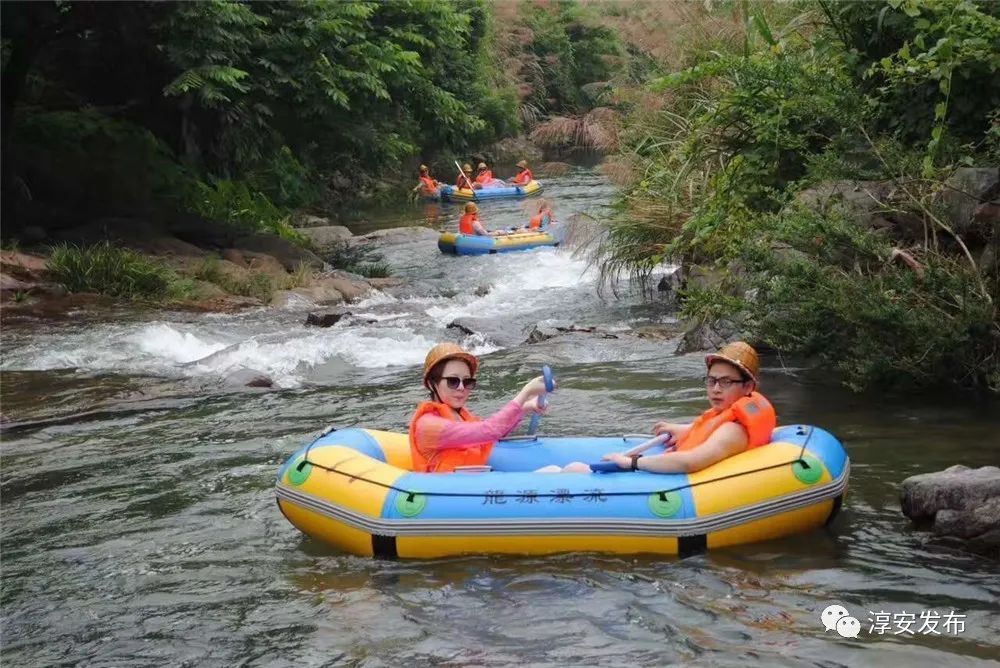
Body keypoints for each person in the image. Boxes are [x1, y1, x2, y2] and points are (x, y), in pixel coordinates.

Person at [601, 342, 776, 474]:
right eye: (711, 380)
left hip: (682, 485)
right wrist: (687, 429)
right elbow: (710, 428)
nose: (715, 389)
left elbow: (690, 462)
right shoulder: (728, 415)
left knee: (576, 468)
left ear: (747, 387)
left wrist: (632, 462)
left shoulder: (733, 431)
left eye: (726, 382)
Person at [409, 344, 550, 473]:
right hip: (450, 493)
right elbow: (489, 430)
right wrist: (526, 392)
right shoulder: (429, 425)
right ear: (432, 383)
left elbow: (494, 434)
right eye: (453, 381)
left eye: (467, 381)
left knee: (558, 470)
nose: (461, 387)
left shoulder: (462, 416)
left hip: (475, 483)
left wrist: (526, 407)